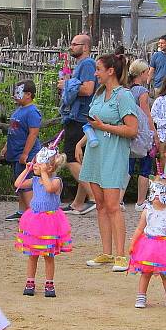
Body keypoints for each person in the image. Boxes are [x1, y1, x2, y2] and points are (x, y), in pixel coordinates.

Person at [76, 52, 139, 273]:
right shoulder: (100, 93)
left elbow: (132, 129)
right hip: (95, 152)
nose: (95, 73)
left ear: (110, 71)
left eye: (98, 69)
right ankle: (106, 252)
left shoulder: (124, 96)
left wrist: (105, 128)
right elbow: (94, 123)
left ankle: (122, 255)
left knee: (113, 206)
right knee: (100, 205)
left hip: (113, 154)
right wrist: (80, 143)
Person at [14, 149, 72, 297]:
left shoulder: (56, 181)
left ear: (49, 167)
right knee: (32, 254)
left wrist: (45, 173)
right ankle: (30, 281)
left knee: (48, 255)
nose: (35, 165)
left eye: (39, 163)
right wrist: (27, 170)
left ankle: (49, 283)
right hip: (34, 222)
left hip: (50, 223)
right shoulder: (34, 180)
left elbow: (49, 188)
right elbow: (18, 184)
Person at [128, 174, 166, 309]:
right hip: (148, 247)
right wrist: (132, 244)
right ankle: (141, 295)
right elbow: (139, 229)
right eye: (153, 193)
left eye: (160, 193)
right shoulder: (147, 211)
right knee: (146, 272)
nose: (156, 196)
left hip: (165, 248)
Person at [58, 34, 97, 215]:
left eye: (75, 44)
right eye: (71, 43)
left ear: (86, 47)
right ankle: (77, 203)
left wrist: (66, 86)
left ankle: (94, 197)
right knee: (82, 160)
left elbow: (88, 89)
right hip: (79, 116)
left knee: (71, 159)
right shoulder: (81, 65)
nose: (71, 47)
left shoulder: (87, 64)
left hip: (79, 117)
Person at [1, 80, 41, 221]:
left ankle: (32, 212)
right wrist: (7, 146)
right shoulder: (18, 110)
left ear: (28, 94)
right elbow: (13, 130)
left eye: (19, 92)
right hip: (15, 153)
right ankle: (22, 210)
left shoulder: (32, 112)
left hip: (26, 154)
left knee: (26, 183)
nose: (15, 95)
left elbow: (33, 133)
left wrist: (25, 153)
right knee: (19, 182)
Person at [127, 59, 155, 211]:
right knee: (145, 167)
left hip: (130, 131)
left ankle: (119, 199)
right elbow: (147, 114)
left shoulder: (127, 90)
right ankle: (140, 202)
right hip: (142, 133)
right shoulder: (142, 92)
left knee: (128, 167)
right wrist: (153, 133)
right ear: (142, 73)